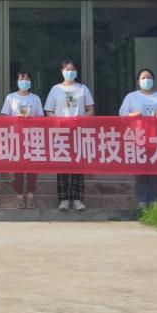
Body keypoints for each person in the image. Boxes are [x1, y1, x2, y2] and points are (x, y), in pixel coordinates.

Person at [119, 68, 157, 210]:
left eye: (149, 77)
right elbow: (122, 115)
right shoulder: (131, 97)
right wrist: (133, 115)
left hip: (156, 138)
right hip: (138, 137)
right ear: (138, 81)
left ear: (153, 80)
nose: (146, 80)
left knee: (155, 170)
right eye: (143, 78)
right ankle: (142, 200)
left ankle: (154, 199)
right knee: (141, 170)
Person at [45, 60, 94, 211]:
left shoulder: (82, 89)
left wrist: (81, 119)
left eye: (73, 69)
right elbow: (49, 110)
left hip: (78, 131)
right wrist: (58, 120)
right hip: (61, 132)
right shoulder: (55, 89)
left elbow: (90, 110)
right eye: (67, 69)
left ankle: (78, 198)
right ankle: (64, 199)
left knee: (78, 164)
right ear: (62, 71)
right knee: (63, 164)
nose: (70, 72)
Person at [1, 71, 44, 208]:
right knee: (18, 167)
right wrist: (16, 119)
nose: (24, 81)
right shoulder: (11, 97)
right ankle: (19, 194)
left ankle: (30, 194)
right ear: (17, 81)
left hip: (32, 137)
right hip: (16, 136)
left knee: (32, 166)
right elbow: (4, 117)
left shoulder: (35, 98)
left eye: (26, 79)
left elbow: (41, 118)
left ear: (30, 82)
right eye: (21, 79)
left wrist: (31, 119)